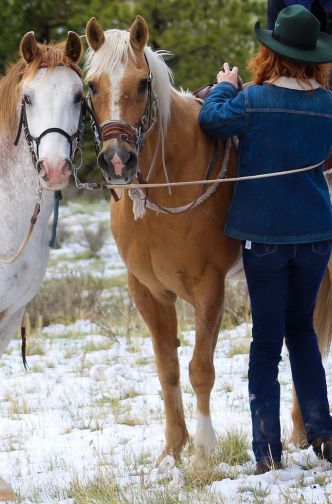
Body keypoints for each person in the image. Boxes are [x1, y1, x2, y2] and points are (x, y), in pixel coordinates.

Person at [198, 5, 332, 474]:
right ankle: (322, 430)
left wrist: (225, 85)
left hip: (265, 240)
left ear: (270, 53)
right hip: (317, 235)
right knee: (302, 332)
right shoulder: (328, 104)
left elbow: (211, 121)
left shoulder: (252, 98)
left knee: (265, 341)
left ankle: (268, 451)